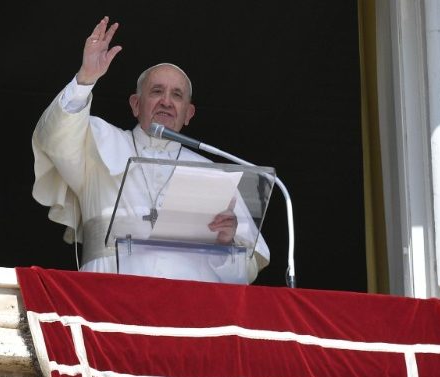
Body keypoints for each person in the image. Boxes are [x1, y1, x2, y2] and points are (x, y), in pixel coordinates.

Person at [32, 17, 269, 283]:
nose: (167, 101)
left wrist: (225, 244)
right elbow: (52, 136)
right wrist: (85, 79)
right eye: (157, 91)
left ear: (188, 114)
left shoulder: (213, 174)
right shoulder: (96, 141)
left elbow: (243, 275)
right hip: (107, 297)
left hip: (187, 309)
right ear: (136, 104)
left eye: (177, 95)